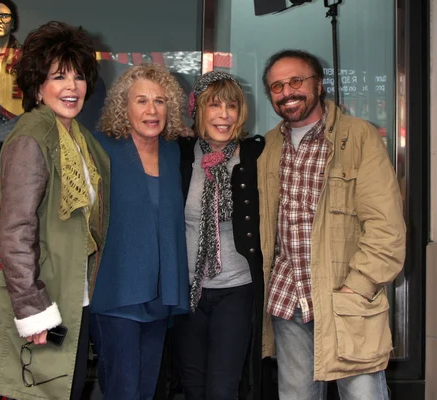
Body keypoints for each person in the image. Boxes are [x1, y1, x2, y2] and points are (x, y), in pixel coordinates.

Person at [0, 21, 109, 400]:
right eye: (59, 76)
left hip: (73, 295)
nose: (72, 87)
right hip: (40, 303)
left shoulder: (79, 138)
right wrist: (33, 310)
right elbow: (16, 230)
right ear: (38, 85)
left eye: (78, 76)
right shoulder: (33, 134)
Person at [257, 49, 406, 400]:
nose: (287, 91)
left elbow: (387, 226)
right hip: (287, 299)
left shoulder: (358, 137)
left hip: (346, 301)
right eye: (277, 86)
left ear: (319, 85)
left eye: (296, 81)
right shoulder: (267, 146)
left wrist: (359, 286)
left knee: (363, 395)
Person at [89, 63, 190, 400]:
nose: (152, 110)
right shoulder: (100, 148)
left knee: (146, 391)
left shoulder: (174, 151)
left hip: (160, 297)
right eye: (142, 101)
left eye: (160, 101)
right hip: (116, 294)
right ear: (123, 106)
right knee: (123, 389)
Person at [173, 71, 264, 400]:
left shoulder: (255, 157)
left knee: (223, 387)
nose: (224, 115)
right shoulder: (180, 156)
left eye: (232, 106)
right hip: (187, 291)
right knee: (193, 385)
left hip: (236, 289)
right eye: (214, 105)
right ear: (198, 109)